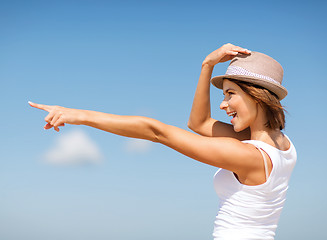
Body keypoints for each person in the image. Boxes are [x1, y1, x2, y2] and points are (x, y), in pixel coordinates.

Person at [29, 43, 297, 240]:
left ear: (257, 96)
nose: (224, 104)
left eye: (230, 94)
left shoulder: (247, 156)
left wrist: (80, 115)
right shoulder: (283, 146)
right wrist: (207, 66)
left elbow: (156, 132)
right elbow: (199, 124)